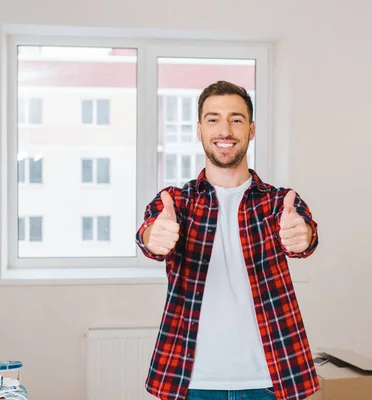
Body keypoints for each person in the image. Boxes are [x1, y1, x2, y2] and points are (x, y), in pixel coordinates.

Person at [136, 81, 320, 400]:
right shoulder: (175, 202)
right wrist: (155, 238)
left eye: (236, 119)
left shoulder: (279, 202)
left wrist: (302, 237)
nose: (225, 129)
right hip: (192, 382)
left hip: (271, 379)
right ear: (198, 130)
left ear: (251, 129)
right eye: (213, 119)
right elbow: (149, 235)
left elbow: (304, 238)